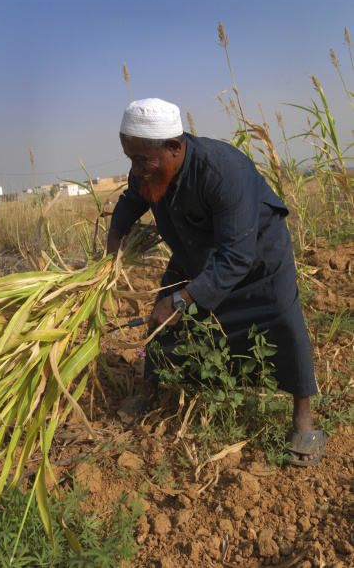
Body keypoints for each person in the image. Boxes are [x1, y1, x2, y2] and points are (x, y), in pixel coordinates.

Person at [107, 98, 327, 466]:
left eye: (142, 161)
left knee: (283, 320)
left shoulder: (225, 172)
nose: (136, 169)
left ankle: (303, 419)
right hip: (195, 247)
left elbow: (236, 257)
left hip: (256, 253)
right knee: (160, 321)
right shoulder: (146, 169)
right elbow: (132, 200)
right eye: (131, 159)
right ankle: (149, 392)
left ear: (174, 148)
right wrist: (112, 242)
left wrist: (182, 299)